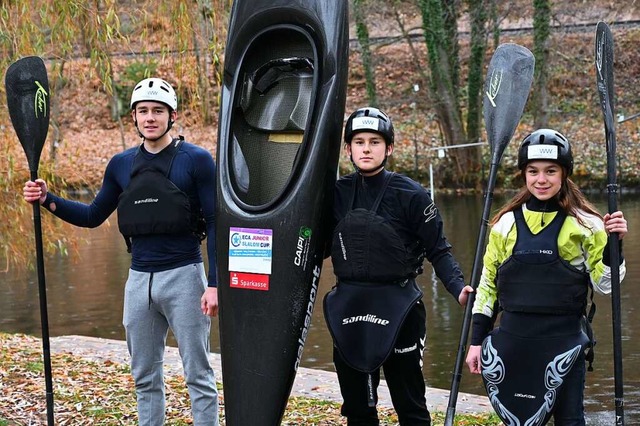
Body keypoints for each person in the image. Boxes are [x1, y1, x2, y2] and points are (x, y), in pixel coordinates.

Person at [23, 78, 219, 426]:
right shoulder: (121, 165)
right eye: (142, 111)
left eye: (158, 111)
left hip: (185, 277)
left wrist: (215, 284)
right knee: (144, 377)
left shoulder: (197, 161)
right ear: (133, 117)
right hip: (138, 280)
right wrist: (48, 200)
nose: (150, 118)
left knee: (198, 375)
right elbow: (92, 215)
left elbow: (217, 223)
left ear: (172, 115)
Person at [465, 128, 628, 425]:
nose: (541, 180)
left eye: (550, 171)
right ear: (524, 174)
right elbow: (487, 288)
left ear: (564, 173)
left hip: (565, 344)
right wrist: (476, 341)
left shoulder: (587, 225)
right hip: (514, 343)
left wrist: (613, 246)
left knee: (570, 419)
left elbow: (605, 285)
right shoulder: (504, 226)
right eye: (533, 171)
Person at [323, 106, 473, 426]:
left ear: (389, 148)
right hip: (349, 307)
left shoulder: (412, 195)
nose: (366, 148)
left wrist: (459, 289)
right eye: (359, 141)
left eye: (375, 141)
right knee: (359, 408)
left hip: (399, 309)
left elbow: (439, 250)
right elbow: (314, 247)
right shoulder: (335, 194)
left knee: (410, 405)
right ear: (348, 148)